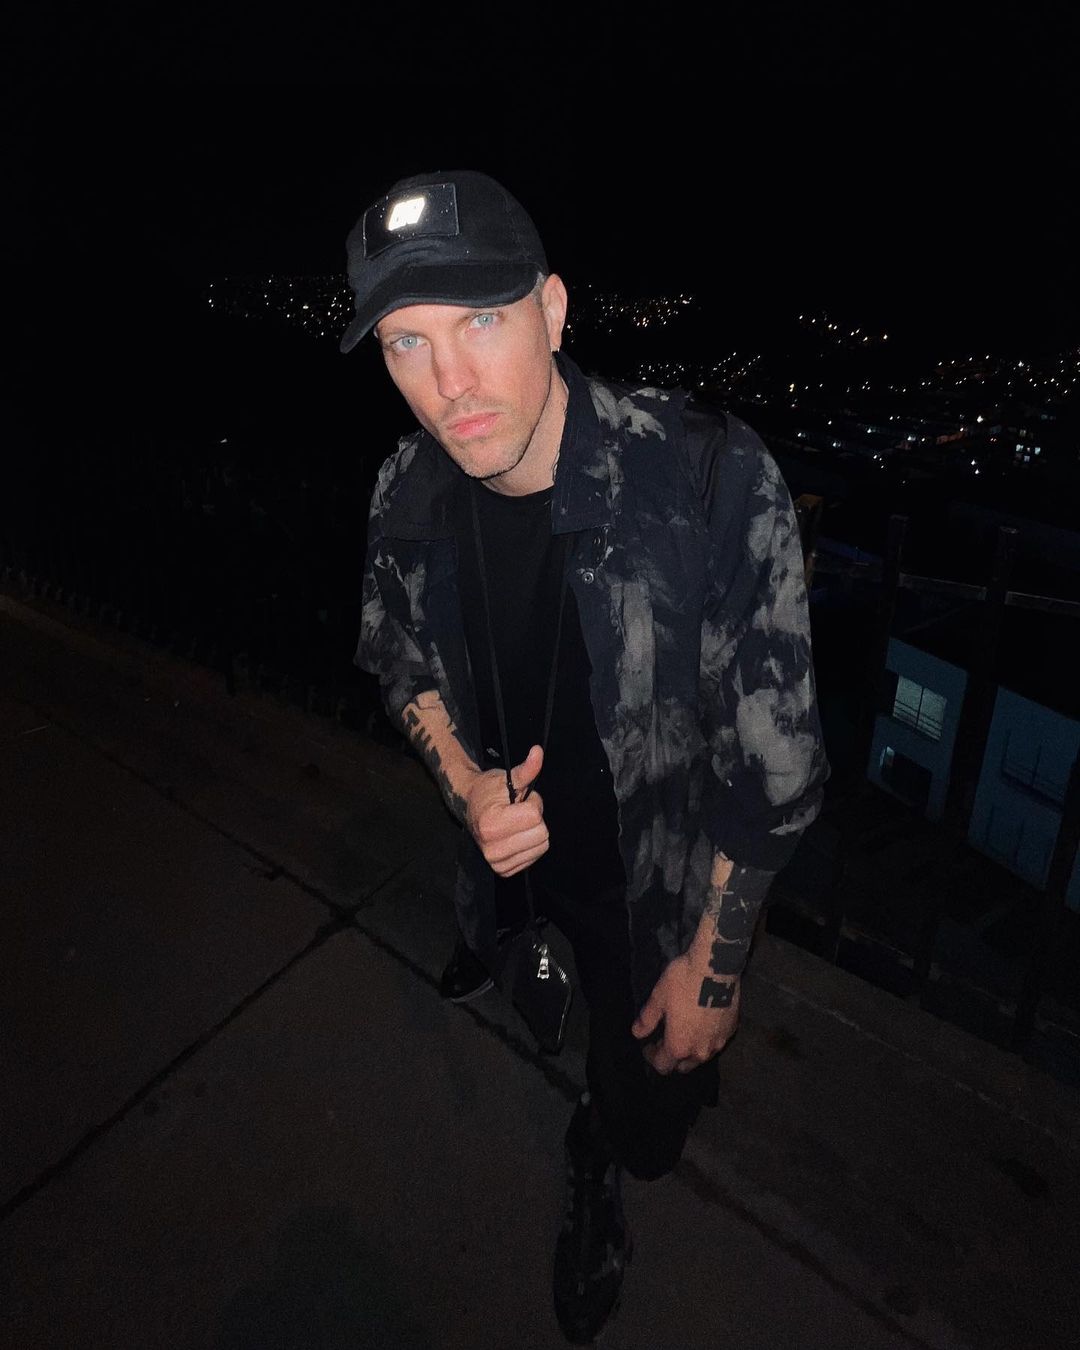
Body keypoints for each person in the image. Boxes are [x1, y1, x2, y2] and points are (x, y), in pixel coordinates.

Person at [341, 169, 829, 1345]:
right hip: (507, 872)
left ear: (553, 310)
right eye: (408, 342)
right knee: (518, 980)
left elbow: (776, 770)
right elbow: (396, 657)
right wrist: (466, 787)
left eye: (481, 321)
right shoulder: (408, 489)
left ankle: (600, 1153)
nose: (450, 383)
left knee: (649, 1124)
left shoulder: (706, 479)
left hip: (653, 897)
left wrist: (715, 967)